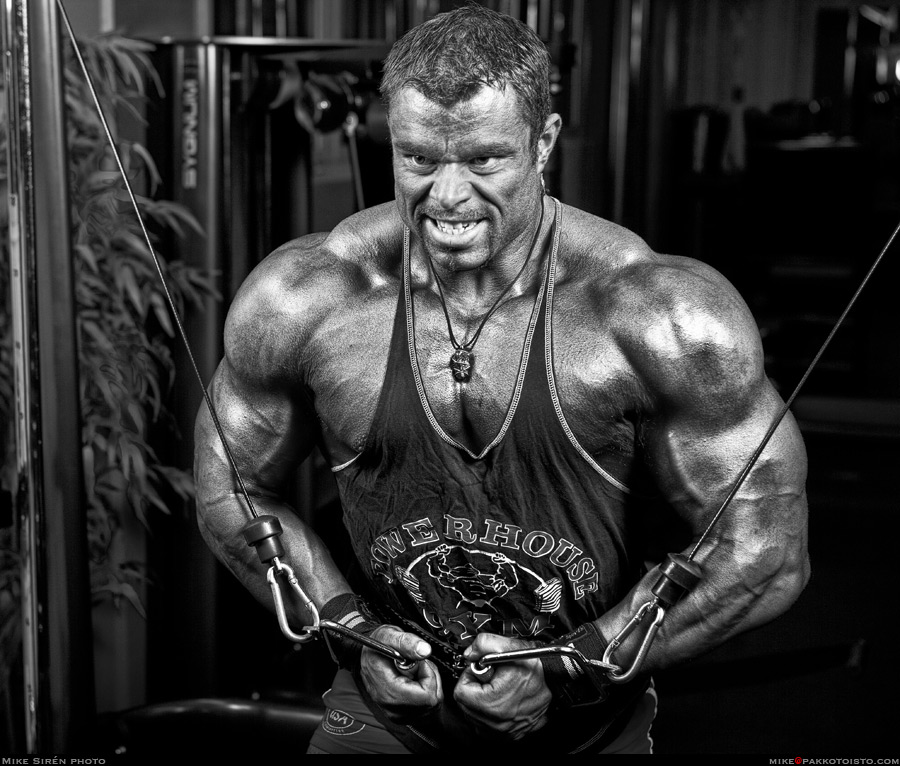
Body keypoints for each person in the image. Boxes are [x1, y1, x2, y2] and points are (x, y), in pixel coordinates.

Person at [193, 3, 809, 755]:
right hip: (386, 719)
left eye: (484, 161)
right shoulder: (308, 297)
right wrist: (350, 630)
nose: (447, 196)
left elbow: (765, 551)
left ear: (543, 143)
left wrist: (573, 666)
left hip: (586, 726)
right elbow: (230, 488)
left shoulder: (658, 314)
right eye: (419, 159)